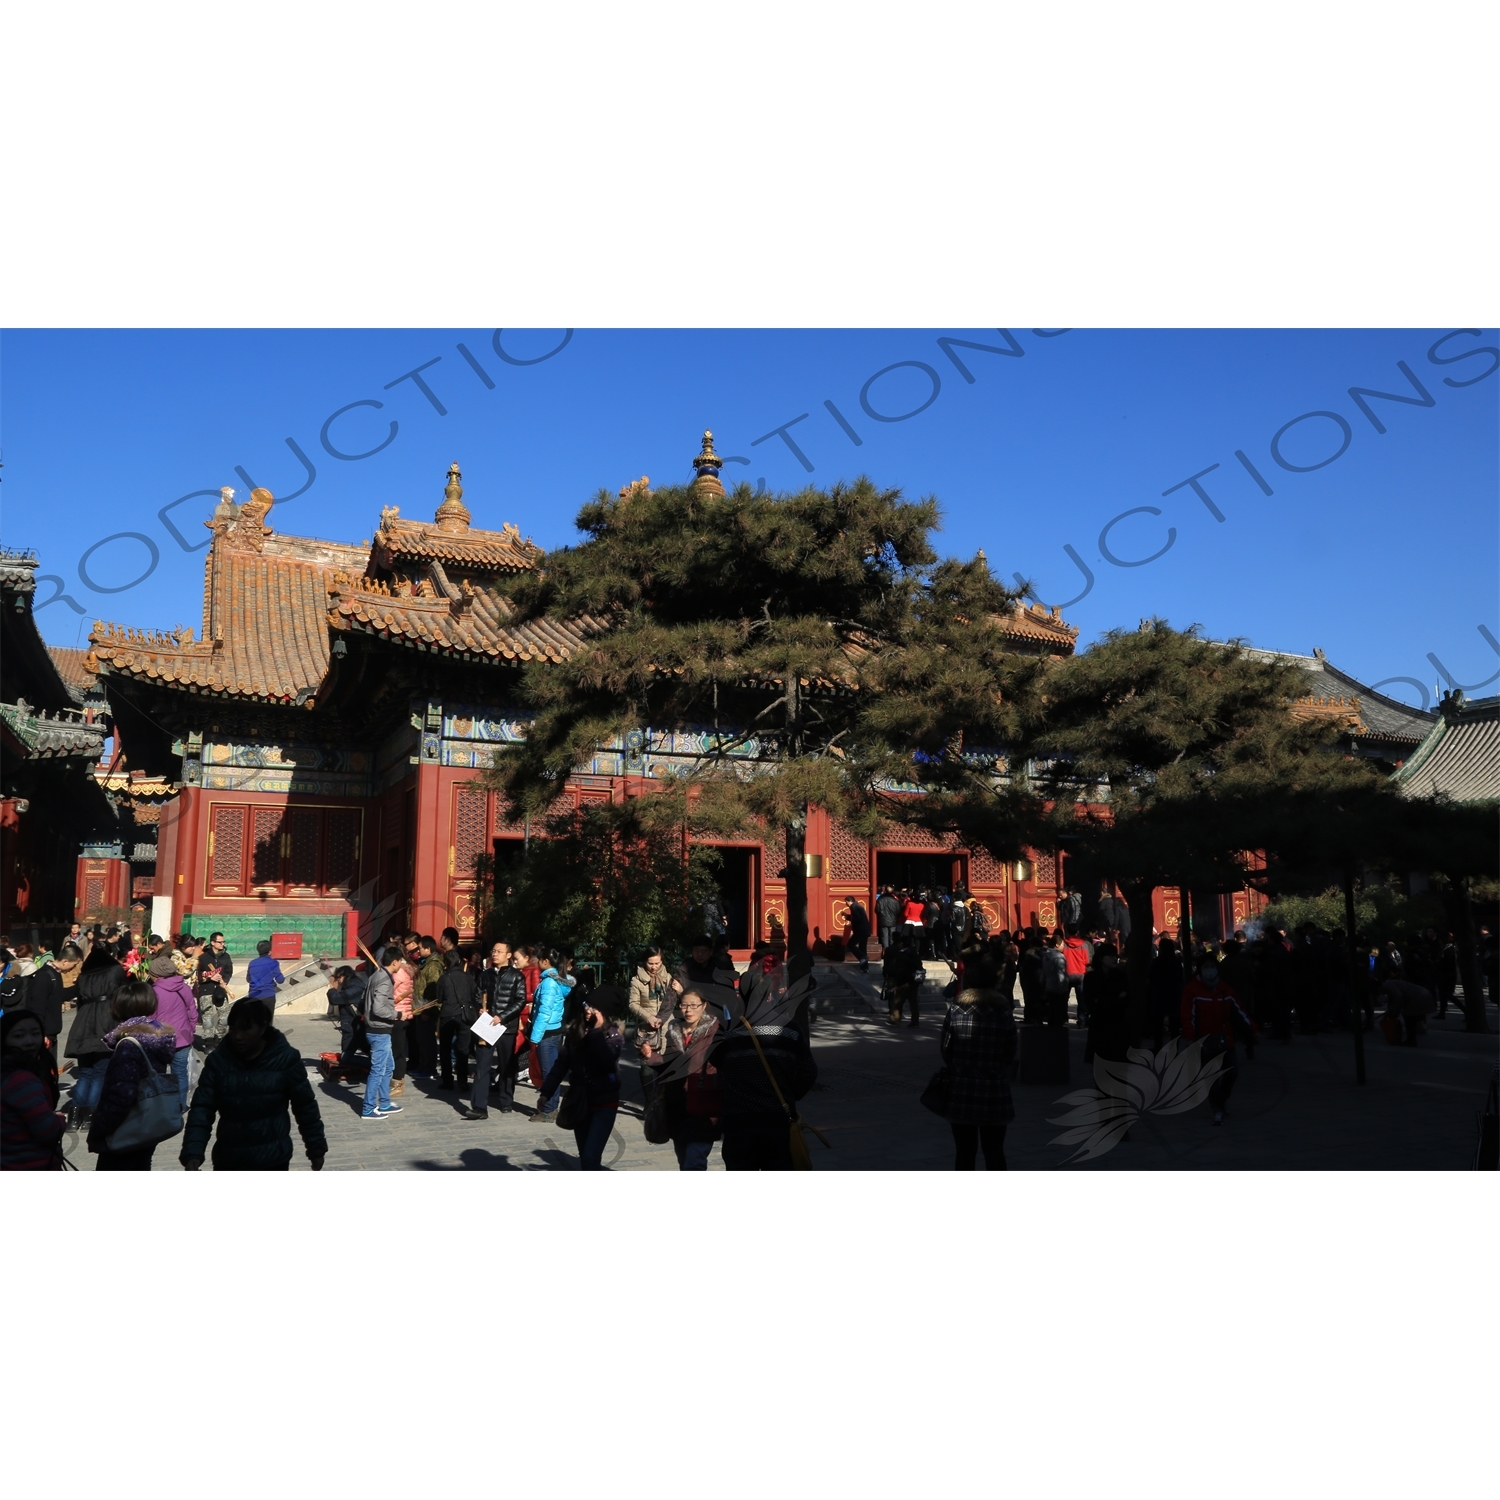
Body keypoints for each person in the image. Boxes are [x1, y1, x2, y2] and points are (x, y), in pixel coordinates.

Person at [180, 998, 327, 1171]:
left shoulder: (285, 1059)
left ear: (263, 1027)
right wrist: (193, 1151)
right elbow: (202, 1109)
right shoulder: (219, 1062)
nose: (237, 1036)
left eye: (246, 1029)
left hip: (273, 1158)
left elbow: (305, 1108)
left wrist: (316, 1149)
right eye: (233, 1029)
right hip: (229, 1158)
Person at [709, 961, 817, 1171]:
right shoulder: (790, 1029)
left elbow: (715, 1060)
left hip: (738, 1120)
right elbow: (809, 1071)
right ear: (769, 995)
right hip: (777, 1118)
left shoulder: (727, 1032)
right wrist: (788, 1096)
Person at [86, 980, 178, 1170]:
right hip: (148, 1123)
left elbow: (121, 1095)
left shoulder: (128, 1045)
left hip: (127, 1126)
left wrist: (99, 1130)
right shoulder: (157, 1035)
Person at [539, 989, 625, 1169]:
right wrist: (546, 1092)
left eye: (595, 1008)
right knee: (585, 1156)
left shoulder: (613, 1036)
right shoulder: (575, 1032)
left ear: (604, 1012)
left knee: (590, 1158)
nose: (588, 1010)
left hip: (604, 1103)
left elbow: (606, 1062)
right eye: (587, 1005)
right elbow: (560, 1065)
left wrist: (594, 1031)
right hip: (580, 1102)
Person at [937, 983, 1016, 1169]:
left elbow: (946, 1049)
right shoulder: (1003, 1012)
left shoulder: (956, 1011)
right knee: (995, 1151)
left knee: (964, 1152)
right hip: (994, 1089)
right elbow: (1011, 1051)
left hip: (962, 1089)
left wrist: (961, 1067)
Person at [640, 988, 721, 1169]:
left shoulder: (715, 1033)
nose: (688, 1010)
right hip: (676, 1104)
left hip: (703, 1106)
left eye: (693, 1005)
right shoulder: (674, 1030)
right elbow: (668, 1065)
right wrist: (650, 1056)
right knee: (684, 1159)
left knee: (694, 1163)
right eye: (684, 1005)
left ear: (704, 1006)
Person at [1180, 956, 1254, 1125]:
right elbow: (1187, 1016)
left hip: (1224, 1037)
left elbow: (1238, 1010)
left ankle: (1222, 1099)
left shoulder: (1224, 989)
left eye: (1212, 966)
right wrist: (1190, 1037)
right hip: (1204, 1041)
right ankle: (1217, 1107)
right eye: (1206, 966)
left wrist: (1252, 1029)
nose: (1210, 970)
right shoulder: (1192, 990)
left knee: (1232, 1072)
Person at [462, 941, 529, 1119]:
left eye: (499, 951)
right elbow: (476, 995)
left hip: (506, 1027)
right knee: (482, 1065)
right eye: (493, 951)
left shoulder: (517, 976)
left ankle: (506, 1100)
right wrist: (479, 1008)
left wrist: (503, 1016)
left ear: (508, 955)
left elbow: (520, 1000)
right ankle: (479, 1107)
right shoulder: (485, 975)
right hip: (487, 1026)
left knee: (507, 1065)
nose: (495, 954)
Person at [63, 942, 128, 1118]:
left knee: (85, 1072)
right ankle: (91, 1114)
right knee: (100, 1072)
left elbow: (79, 1000)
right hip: (106, 1020)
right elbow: (123, 994)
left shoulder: (84, 975)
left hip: (83, 1022)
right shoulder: (115, 971)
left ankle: (75, 1116)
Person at [2, 1009, 67, 1170]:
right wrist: (59, 1121)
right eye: (19, 1036)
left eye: (35, 1033)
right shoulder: (20, 1080)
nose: (30, 1041)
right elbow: (47, 1130)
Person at [147, 952, 198, 1111]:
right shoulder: (184, 987)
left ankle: (161, 1106)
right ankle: (180, 1106)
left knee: (159, 1074)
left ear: (156, 975)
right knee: (180, 1074)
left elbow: (150, 1017)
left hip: (160, 1040)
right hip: (183, 1039)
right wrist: (190, 1030)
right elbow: (193, 1012)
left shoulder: (154, 992)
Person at [528, 952, 575, 1122]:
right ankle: (552, 1106)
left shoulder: (548, 982)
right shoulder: (557, 981)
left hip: (547, 1032)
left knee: (549, 1072)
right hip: (555, 1029)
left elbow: (544, 1011)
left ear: (545, 961)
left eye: (539, 960)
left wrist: (535, 1036)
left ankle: (548, 1109)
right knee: (553, 1070)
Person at [360, 946, 404, 1120]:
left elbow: (365, 999)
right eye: (400, 961)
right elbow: (378, 1008)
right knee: (378, 1070)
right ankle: (368, 1108)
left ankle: (384, 1102)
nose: (401, 964)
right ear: (395, 962)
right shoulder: (384, 979)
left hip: (377, 1029)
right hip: (379, 1030)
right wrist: (397, 1014)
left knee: (388, 1067)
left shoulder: (375, 975)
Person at [437, 946, 480, 1093]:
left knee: (445, 1049)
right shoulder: (467, 977)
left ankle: (447, 1079)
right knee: (463, 1049)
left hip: (448, 1015)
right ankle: (462, 1081)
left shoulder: (444, 978)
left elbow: (440, 998)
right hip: (465, 1016)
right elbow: (475, 994)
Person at [1083, 942, 1131, 1063]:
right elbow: (1090, 1002)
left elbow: (1125, 1001)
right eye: (1110, 956)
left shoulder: (1121, 976)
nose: (1115, 958)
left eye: (1116, 956)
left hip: (1118, 1026)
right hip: (1099, 1026)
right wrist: (1115, 998)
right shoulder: (1091, 977)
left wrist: (1103, 1000)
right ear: (1101, 958)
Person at [410, 935, 445, 1077]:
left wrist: (428, 1010)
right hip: (419, 1008)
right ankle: (423, 1065)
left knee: (428, 1041)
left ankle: (430, 1068)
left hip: (427, 1008)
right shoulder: (424, 963)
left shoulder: (433, 965)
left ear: (428, 949)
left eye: (420, 948)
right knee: (421, 1040)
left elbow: (433, 990)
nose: (418, 951)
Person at [628, 947, 676, 1045]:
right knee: (649, 1059)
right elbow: (633, 1004)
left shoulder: (668, 978)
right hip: (647, 1029)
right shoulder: (636, 981)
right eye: (650, 963)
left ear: (661, 961)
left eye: (657, 963)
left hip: (666, 1026)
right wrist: (648, 1017)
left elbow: (673, 1001)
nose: (654, 967)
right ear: (645, 962)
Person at [882, 930, 923, 1027]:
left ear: (902, 943)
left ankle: (895, 1019)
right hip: (913, 980)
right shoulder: (914, 953)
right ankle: (915, 1021)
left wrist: (898, 983)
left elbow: (900, 970)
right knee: (913, 1002)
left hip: (904, 981)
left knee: (897, 1001)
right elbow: (919, 966)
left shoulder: (901, 955)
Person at [327, 966, 367, 1064]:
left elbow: (335, 999)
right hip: (353, 1027)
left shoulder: (356, 988)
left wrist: (333, 988)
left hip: (356, 1028)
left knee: (346, 1058)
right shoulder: (351, 985)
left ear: (345, 976)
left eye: (338, 978)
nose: (338, 981)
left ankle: (378, 1066)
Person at [245, 939, 284, 1016]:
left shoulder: (252, 963)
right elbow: (280, 980)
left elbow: (248, 979)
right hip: (268, 995)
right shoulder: (274, 963)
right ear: (270, 951)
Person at [1062, 926, 1091, 1026]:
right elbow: (1087, 961)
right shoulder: (1084, 945)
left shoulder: (1064, 944)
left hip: (1067, 973)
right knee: (1081, 999)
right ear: (1078, 932)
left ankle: (1064, 1019)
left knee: (1064, 998)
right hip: (1080, 973)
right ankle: (1082, 1020)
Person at [1040, 933, 1069, 1027]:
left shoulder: (1046, 956)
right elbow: (1061, 974)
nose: (1063, 946)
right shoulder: (1059, 957)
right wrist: (1063, 987)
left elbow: (1044, 972)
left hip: (1049, 985)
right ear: (1057, 944)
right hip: (1058, 988)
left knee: (1051, 1010)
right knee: (1059, 1012)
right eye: (1062, 944)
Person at [844, 896, 871, 973]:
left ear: (849, 901)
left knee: (850, 944)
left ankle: (862, 957)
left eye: (846, 902)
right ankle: (864, 968)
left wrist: (848, 917)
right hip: (865, 930)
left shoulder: (854, 907)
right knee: (862, 948)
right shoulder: (858, 906)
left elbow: (856, 918)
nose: (846, 904)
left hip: (860, 931)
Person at [875, 886, 901, 953]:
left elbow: (877, 910)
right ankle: (893, 950)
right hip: (892, 920)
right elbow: (898, 911)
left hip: (883, 920)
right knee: (892, 937)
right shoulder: (895, 901)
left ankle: (886, 951)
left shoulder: (880, 900)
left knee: (885, 937)